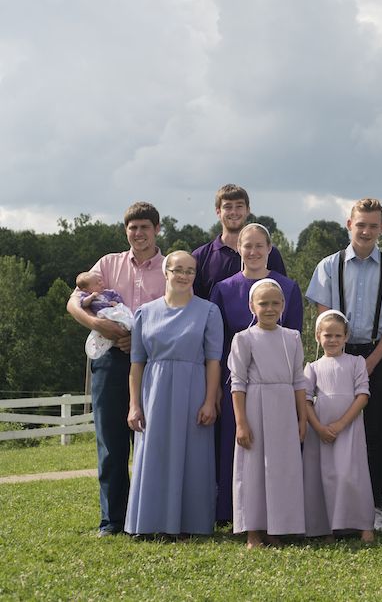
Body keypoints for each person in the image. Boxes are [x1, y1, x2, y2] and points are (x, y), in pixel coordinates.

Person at [305, 198, 382, 529]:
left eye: (373, 226)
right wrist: (335, 356)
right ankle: (333, 504)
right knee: (335, 427)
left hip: (378, 355)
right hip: (336, 354)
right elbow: (323, 316)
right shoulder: (328, 266)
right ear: (349, 225)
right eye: (361, 224)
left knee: (375, 431)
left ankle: (377, 505)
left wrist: (371, 361)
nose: (366, 231)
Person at [66, 202, 166, 537]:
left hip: (152, 362)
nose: (139, 233)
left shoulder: (168, 268)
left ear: (157, 230)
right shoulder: (108, 264)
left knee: (148, 441)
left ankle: (144, 518)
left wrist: (139, 339)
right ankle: (113, 520)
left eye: (145, 227)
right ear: (126, 231)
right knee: (111, 443)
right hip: (109, 359)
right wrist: (99, 324)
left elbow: (175, 312)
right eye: (133, 228)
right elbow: (73, 301)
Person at [209, 222, 303, 524]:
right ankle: (233, 513)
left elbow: (294, 338)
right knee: (237, 446)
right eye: (247, 245)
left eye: (259, 245)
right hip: (235, 382)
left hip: (277, 383)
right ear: (238, 248)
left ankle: (279, 515)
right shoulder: (223, 289)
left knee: (278, 451)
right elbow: (216, 341)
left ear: (269, 249)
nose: (252, 251)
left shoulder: (286, 288)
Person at [124, 251, 223, 537]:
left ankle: (190, 524)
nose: (183, 275)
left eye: (190, 271)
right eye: (177, 269)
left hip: (194, 392)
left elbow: (213, 361)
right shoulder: (144, 312)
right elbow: (136, 364)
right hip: (154, 393)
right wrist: (134, 405)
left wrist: (209, 401)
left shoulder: (208, 311)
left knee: (193, 456)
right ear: (165, 272)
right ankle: (149, 523)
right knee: (153, 453)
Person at [229, 278, 308, 548]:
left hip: (285, 407)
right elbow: (237, 383)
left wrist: (302, 417)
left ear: (284, 305)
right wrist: (241, 422)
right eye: (264, 303)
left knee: (282, 468)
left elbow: (299, 380)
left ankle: (277, 527)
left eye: (276, 303)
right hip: (255, 406)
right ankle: (253, 530)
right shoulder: (243, 339)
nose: (270, 308)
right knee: (253, 470)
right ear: (252, 306)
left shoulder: (292, 338)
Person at [302, 310, 375, 544]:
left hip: (349, 427)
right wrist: (319, 427)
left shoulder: (356, 363)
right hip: (320, 429)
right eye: (327, 335)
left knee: (351, 474)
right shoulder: (312, 367)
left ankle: (363, 526)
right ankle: (326, 527)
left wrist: (342, 423)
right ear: (317, 336)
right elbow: (305, 399)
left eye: (337, 335)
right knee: (324, 476)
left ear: (345, 337)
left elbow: (362, 395)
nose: (332, 340)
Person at [192, 184, 286, 300]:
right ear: (218, 212)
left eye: (239, 206)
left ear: (248, 210)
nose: (234, 212)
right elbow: (195, 303)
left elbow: (282, 295)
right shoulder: (200, 257)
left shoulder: (269, 254)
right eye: (228, 207)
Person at [75, 271, 133, 360]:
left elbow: (118, 299)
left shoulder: (109, 292)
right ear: (86, 290)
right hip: (101, 318)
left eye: (100, 281)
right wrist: (91, 297)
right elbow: (82, 304)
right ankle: (99, 345)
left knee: (122, 312)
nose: (100, 283)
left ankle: (128, 327)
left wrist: (116, 302)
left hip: (112, 312)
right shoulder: (87, 296)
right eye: (96, 283)